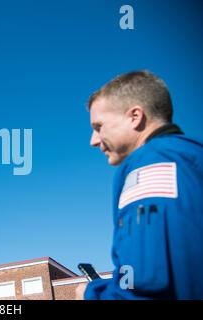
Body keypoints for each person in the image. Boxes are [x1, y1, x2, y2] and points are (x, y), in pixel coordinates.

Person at [76, 70, 203, 299]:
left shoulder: (150, 162)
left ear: (135, 116)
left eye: (99, 126)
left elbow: (146, 281)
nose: (93, 140)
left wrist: (91, 294)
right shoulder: (193, 154)